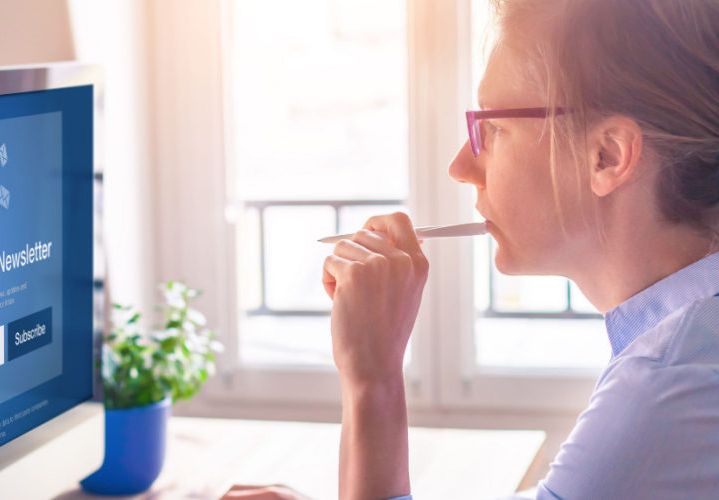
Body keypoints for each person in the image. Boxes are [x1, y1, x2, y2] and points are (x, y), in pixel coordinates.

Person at [222, 0, 719, 498]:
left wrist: (372, 377)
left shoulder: (666, 387)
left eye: (494, 128)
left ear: (606, 155)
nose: (461, 165)